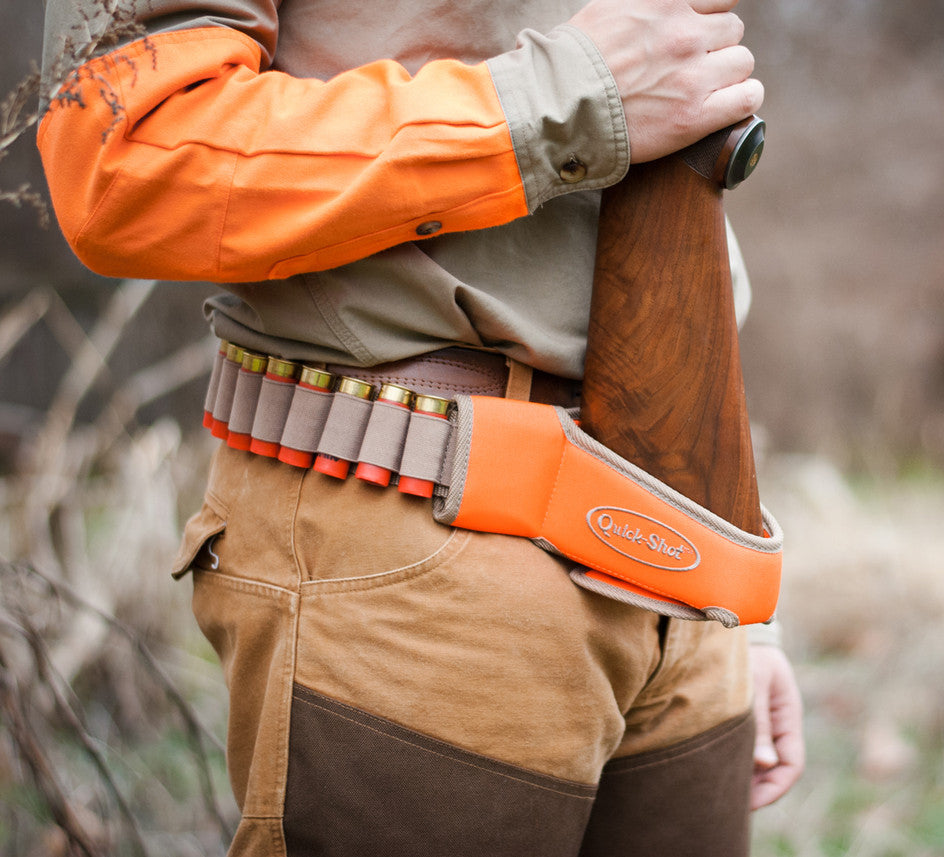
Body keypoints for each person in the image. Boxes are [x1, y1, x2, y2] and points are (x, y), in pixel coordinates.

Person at [38, 0, 804, 853]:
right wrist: (577, 95)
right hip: (412, 549)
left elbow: (675, 123)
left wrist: (737, 596)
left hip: (681, 571)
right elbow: (132, 159)